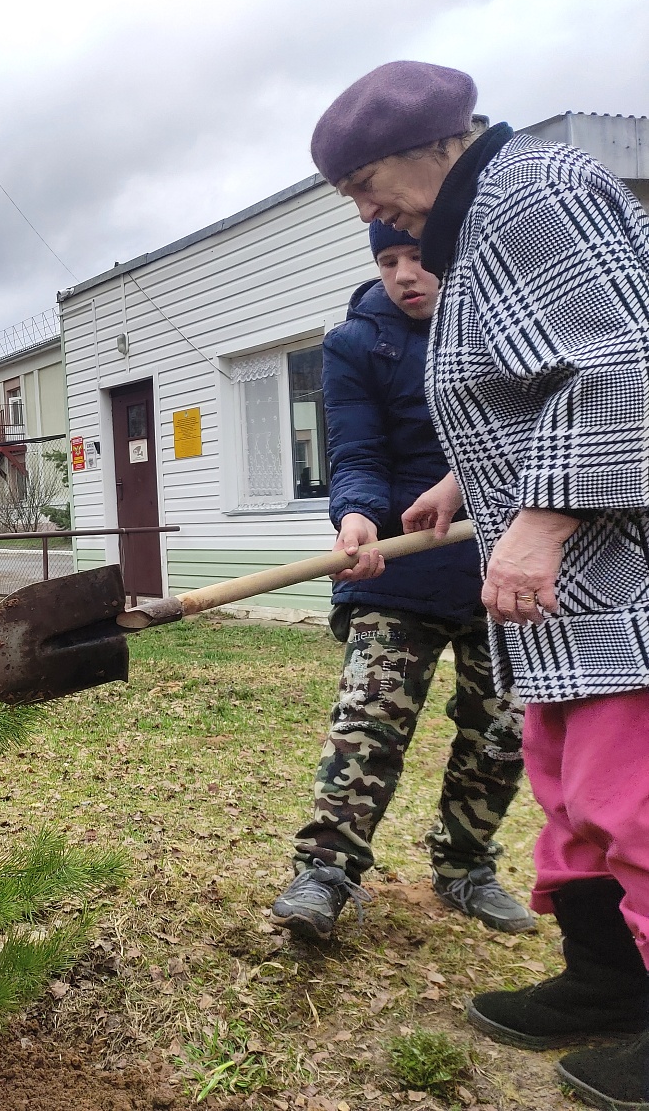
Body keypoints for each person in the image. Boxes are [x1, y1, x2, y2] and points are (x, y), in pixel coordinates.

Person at [312, 61, 649, 1106]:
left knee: (628, 795)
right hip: (558, 592)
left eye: (367, 183)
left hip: (607, 567)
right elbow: (532, 376)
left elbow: (624, 365)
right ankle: (608, 979)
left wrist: (540, 518)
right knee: (564, 788)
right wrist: (466, 479)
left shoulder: (534, 192)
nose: (368, 213)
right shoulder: (479, 220)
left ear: (433, 145)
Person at [271, 219, 530, 942]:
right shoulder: (356, 345)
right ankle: (325, 871)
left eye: (419, 257)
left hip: (504, 560)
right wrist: (356, 516)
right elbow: (357, 450)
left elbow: (531, 429)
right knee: (368, 722)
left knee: (501, 733)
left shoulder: (507, 323)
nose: (405, 274)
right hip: (394, 565)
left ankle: (465, 867)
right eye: (389, 259)